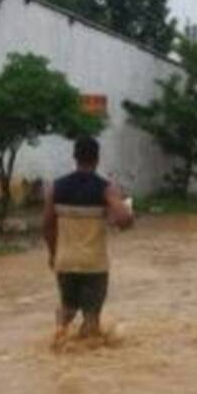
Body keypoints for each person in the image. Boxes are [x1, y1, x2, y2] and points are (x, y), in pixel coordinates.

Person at [43, 137, 135, 340]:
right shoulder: (105, 188)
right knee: (92, 320)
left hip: (65, 261)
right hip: (94, 264)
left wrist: (53, 254)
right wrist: (125, 213)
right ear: (97, 159)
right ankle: (88, 346)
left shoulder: (56, 188)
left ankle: (59, 335)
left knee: (67, 308)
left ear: (74, 157)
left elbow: (47, 226)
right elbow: (124, 220)